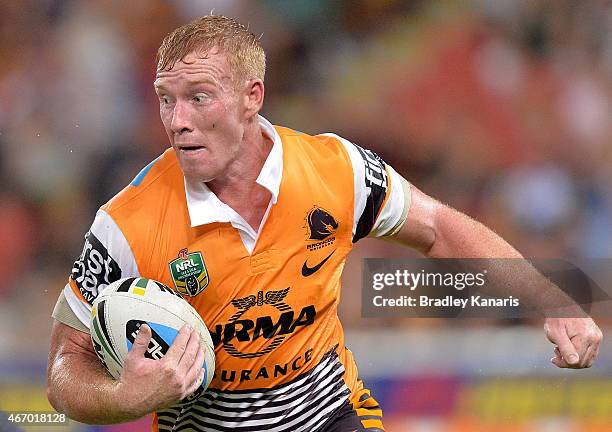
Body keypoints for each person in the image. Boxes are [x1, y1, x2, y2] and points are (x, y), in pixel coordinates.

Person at [46, 14, 602, 432]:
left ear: (251, 98)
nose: (177, 121)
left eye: (198, 97)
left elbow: (440, 228)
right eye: (166, 100)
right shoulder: (125, 223)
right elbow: (63, 370)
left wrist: (550, 299)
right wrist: (127, 396)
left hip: (331, 415)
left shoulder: (336, 170)